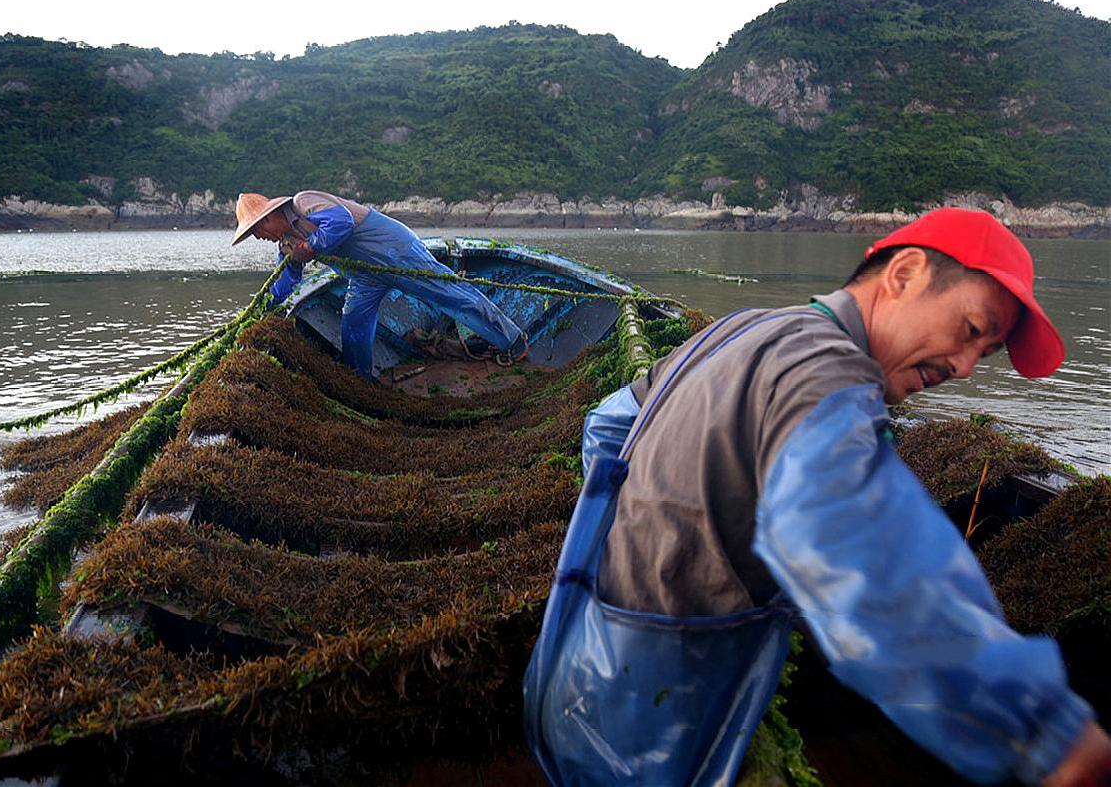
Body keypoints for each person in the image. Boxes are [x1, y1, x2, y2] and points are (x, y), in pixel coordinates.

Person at [523, 208, 1111, 786]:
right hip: (656, 718)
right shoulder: (824, 373)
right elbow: (858, 556)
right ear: (904, 275)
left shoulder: (746, 328)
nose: (963, 367)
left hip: (577, 667)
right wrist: (1042, 730)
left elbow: (608, 424)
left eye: (984, 356)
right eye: (973, 331)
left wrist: (634, 537)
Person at [230, 191, 526, 378]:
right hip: (365, 275)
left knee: (450, 295)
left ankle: (512, 341)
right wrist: (263, 306)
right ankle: (359, 380)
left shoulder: (304, 203)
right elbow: (287, 280)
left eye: (257, 229)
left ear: (270, 216)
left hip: (396, 251)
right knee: (354, 322)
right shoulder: (286, 244)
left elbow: (341, 222)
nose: (259, 237)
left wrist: (314, 245)